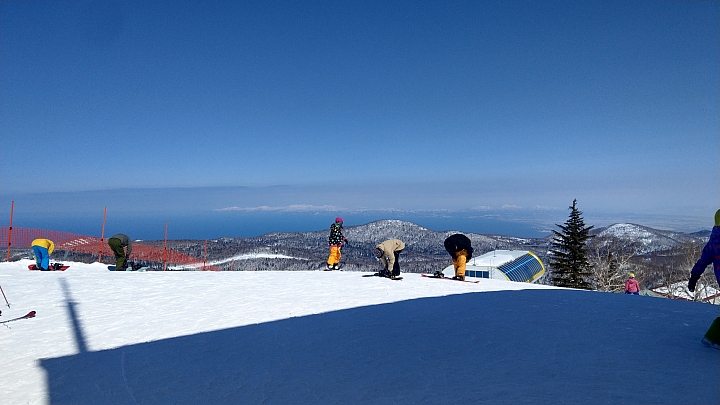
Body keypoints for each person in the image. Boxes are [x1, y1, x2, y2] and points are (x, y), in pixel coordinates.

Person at [688, 209, 720, 349]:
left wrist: (694, 276)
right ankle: (712, 337)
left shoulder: (713, 241)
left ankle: (711, 337)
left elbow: (703, 260)